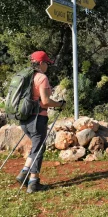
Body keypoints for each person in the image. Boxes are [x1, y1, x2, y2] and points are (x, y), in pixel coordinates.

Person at [16, 51, 66, 193]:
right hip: (38, 118)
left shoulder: (25, 76)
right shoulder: (41, 78)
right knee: (38, 150)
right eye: (47, 63)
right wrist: (60, 104)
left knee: (37, 147)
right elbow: (45, 101)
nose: (47, 66)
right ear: (41, 63)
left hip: (24, 118)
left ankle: (24, 173)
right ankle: (33, 182)